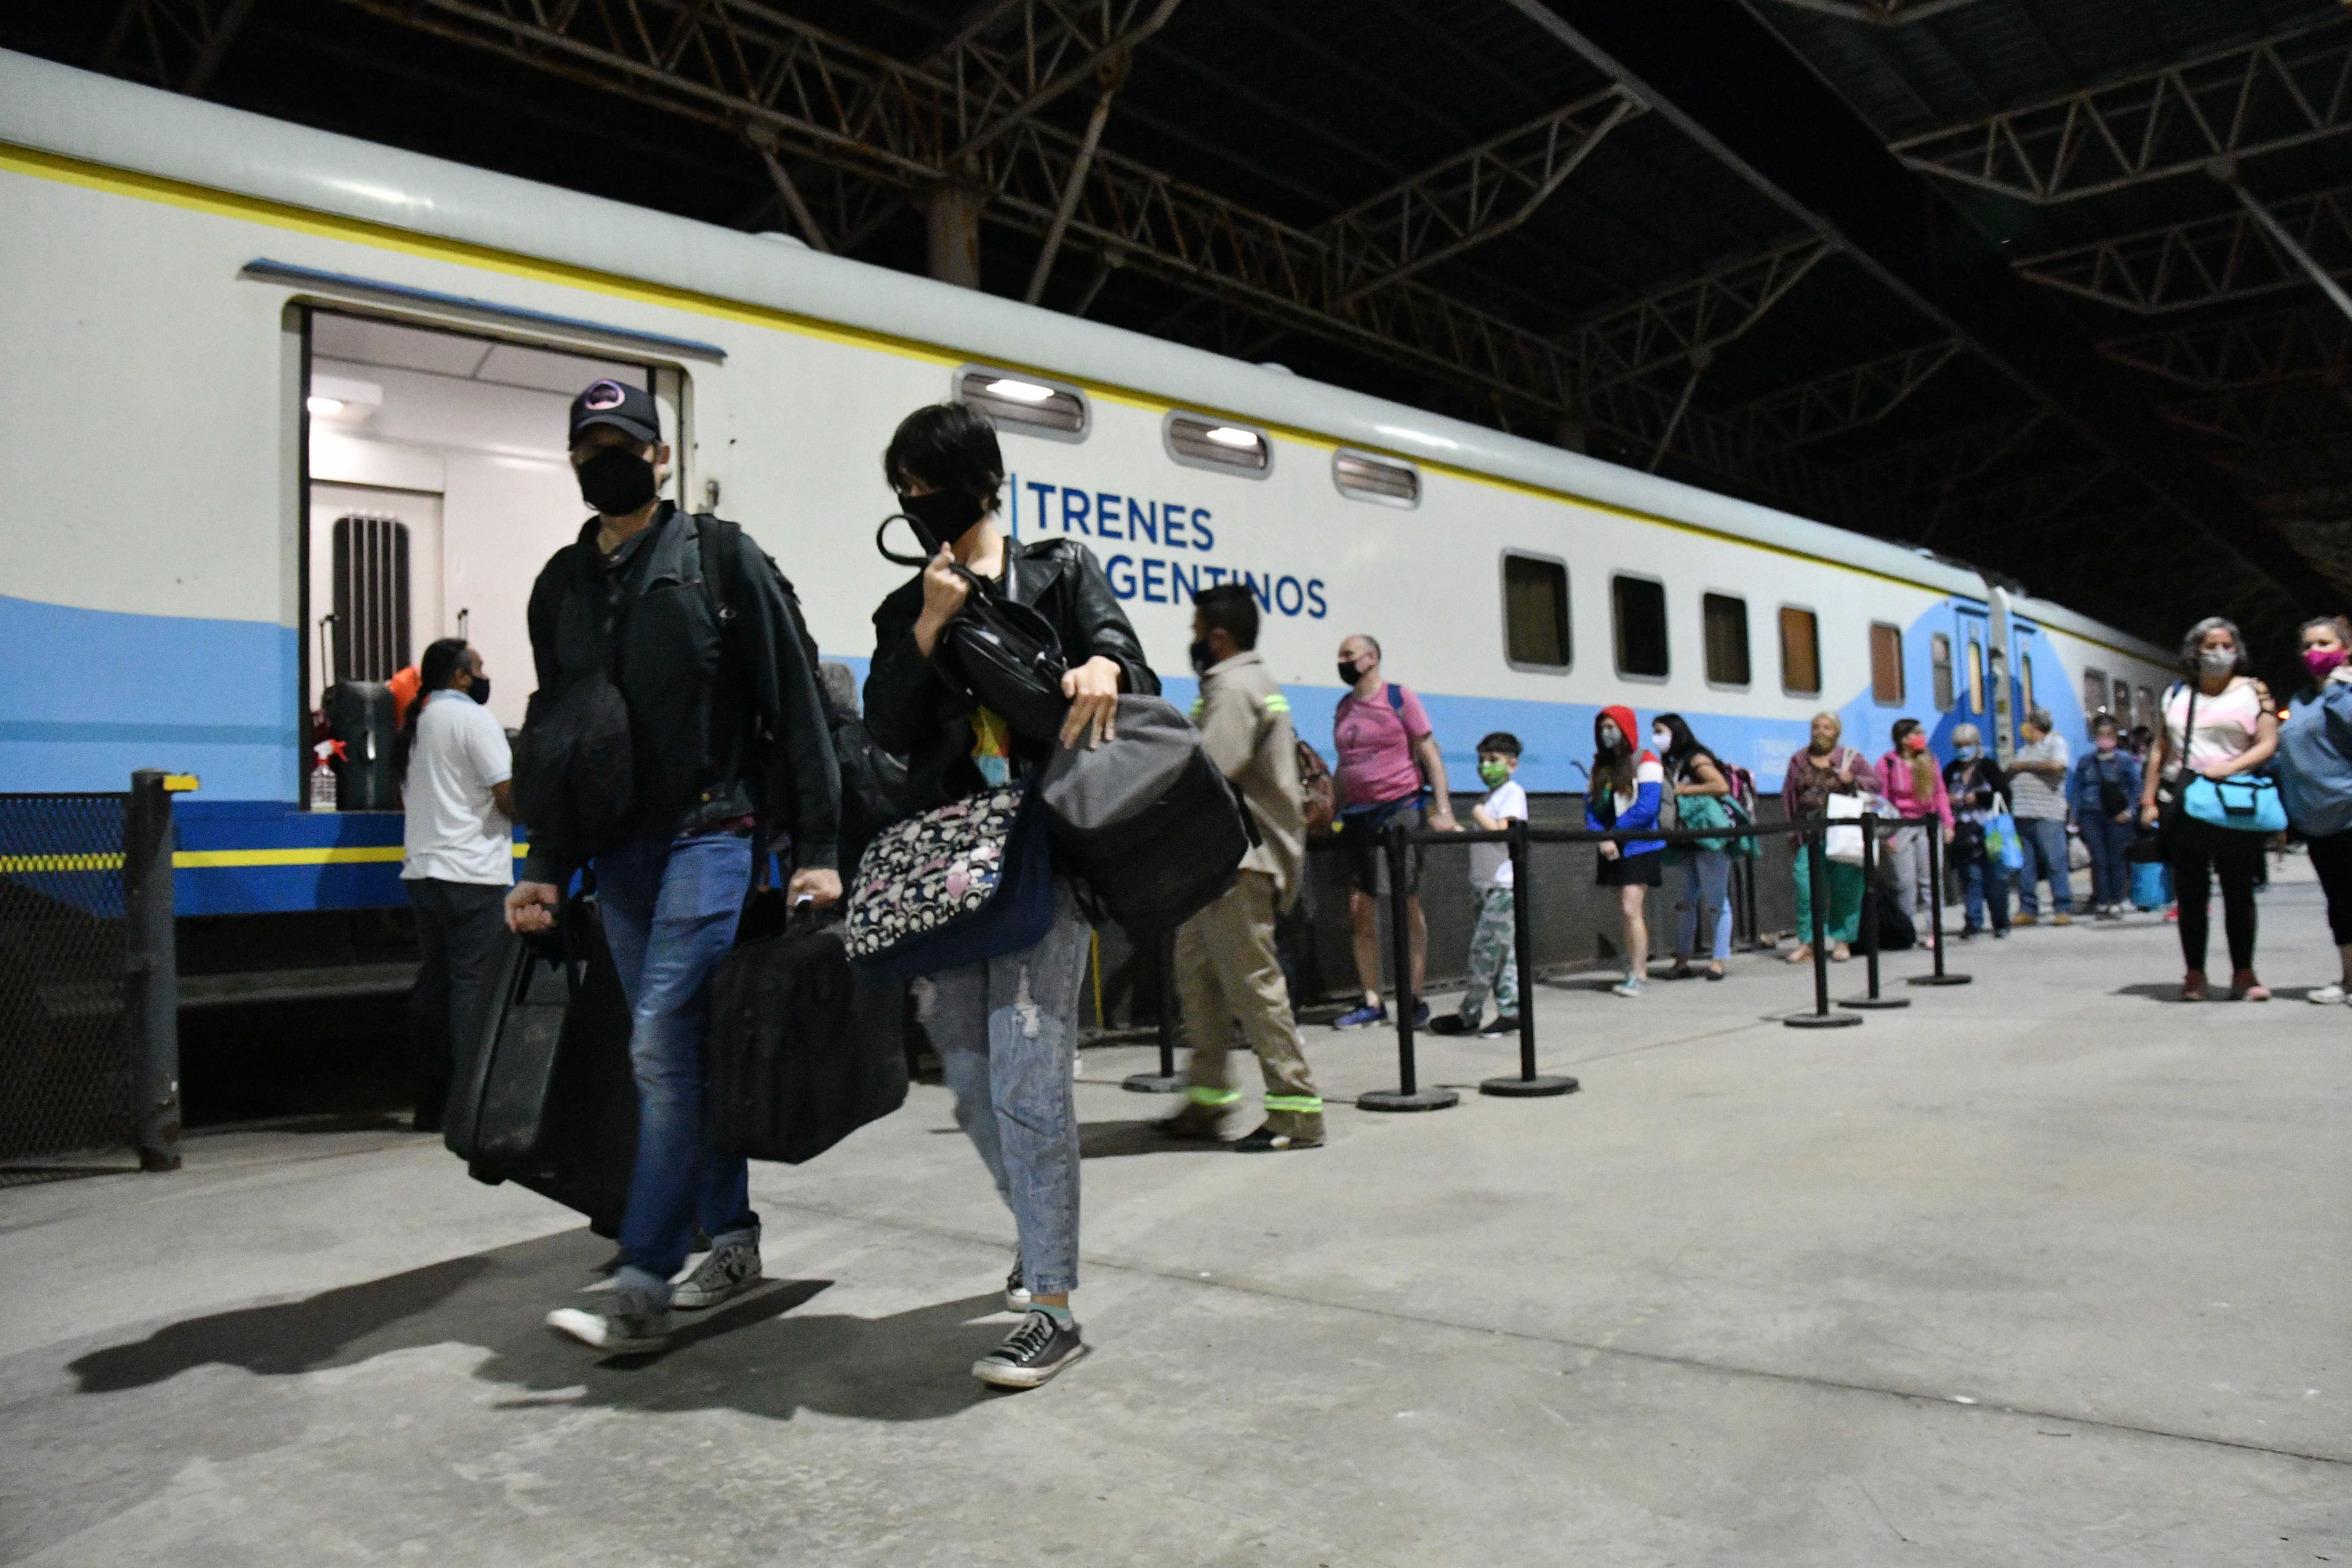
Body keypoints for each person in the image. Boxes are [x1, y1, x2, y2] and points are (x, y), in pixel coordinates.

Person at [509, 379, 843, 1354]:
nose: (603, 458)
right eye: (587, 446)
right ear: (573, 462)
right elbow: (561, 741)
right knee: (682, 1048)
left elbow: (798, 707)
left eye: (624, 442)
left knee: (658, 1042)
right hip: (618, 854)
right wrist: (544, 863)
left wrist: (819, 851)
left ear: (660, 458)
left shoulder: (720, 561)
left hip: (713, 829)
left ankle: (645, 1277)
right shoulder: (558, 589)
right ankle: (731, 1239)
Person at [864, 402, 1153, 1388]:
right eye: (901, 487)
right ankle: (1040, 1234)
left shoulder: (1058, 569)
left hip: (1042, 856)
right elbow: (888, 727)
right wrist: (932, 622)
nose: (914, 501)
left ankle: (1053, 1304)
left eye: (927, 481)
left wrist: (1105, 660)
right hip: (951, 874)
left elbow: (1130, 659)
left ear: (982, 480)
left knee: (1031, 1078)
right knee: (978, 1083)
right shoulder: (908, 606)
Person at [1160, 583, 1326, 1150]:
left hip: (1239, 862)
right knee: (1199, 980)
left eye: (1195, 629)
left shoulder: (1233, 687)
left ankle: (1295, 1110)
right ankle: (1207, 1102)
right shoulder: (1243, 684)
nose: (1192, 640)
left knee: (1253, 987)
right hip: (1218, 863)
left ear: (1219, 636)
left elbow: (1211, 773)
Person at [397, 637, 511, 1133]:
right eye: (479, 667)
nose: (485, 676)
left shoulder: (418, 724)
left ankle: (431, 1104)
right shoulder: (473, 721)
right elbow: (508, 797)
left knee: (435, 986)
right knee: (472, 988)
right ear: (461, 676)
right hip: (472, 873)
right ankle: (471, 1105)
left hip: (424, 873)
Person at [2137, 616, 2279, 1002]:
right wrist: (2148, 799)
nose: (2220, 654)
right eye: (2210, 646)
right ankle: (2195, 973)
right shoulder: (2177, 694)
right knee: (2191, 892)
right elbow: (2160, 750)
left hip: (2234, 800)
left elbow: (2268, 743)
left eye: (2227, 646)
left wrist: (2230, 766)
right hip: (2186, 800)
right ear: (2195, 652)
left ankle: (2244, 972)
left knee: (2238, 889)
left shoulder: (2254, 692)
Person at [1328, 634, 1457, 1029]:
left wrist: (1444, 809)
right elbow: (1343, 765)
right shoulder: (1344, 707)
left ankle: (1414, 998)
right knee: (1359, 907)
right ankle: (1373, 1000)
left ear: (1372, 658)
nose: (1343, 661)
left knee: (1406, 902)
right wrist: (1332, 812)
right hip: (1357, 815)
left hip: (1400, 809)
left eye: (1349, 655)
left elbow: (1429, 752)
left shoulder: (1400, 698)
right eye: (1340, 656)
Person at [2275, 615, 2352, 1002]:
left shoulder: (2347, 693)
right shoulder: (2302, 699)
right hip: (2319, 820)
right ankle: (2349, 978)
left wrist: (2342, 690)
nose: (2314, 652)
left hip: (2350, 811)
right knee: (2340, 902)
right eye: (2307, 645)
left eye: (2324, 643)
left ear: (2346, 649)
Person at [1432, 732, 1527, 1032]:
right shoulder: (1491, 798)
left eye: (1493, 760)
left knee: (1484, 952)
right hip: (1484, 887)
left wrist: (1476, 814)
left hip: (1503, 888)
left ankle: (1469, 1014)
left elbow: (1504, 834)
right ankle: (1511, 1011)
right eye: (1482, 760)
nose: (1485, 767)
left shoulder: (1513, 793)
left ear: (1512, 765)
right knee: (1501, 955)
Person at [1587, 705, 1664, 996]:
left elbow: (1647, 808)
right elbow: (1592, 808)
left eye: (1612, 727)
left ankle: (1639, 974)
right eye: (1603, 728)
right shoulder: (1600, 766)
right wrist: (1601, 837)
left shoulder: (1646, 761)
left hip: (1640, 846)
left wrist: (1614, 835)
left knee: (1632, 908)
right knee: (1626, 911)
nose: (1607, 733)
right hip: (1611, 848)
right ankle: (1634, 967)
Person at [1780, 711, 1867, 963]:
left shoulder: (1851, 758)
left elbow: (1876, 785)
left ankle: (1842, 941)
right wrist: (1791, 830)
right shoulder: (1799, 759)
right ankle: (1808, 943)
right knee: (1805, 887)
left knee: (1846, 888)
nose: (1820, 732)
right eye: (1816, 727)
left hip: (1843, 833)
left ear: (1837, 733)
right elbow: (1789, 797)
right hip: (1808, 834)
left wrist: (1854, 781)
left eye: (1827, 728)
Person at [1653, 713, 1733, 981]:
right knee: (1685, 901)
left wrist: (1683, 790)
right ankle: (1682, 959)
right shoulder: (1670, 761)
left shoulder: (1696, 758)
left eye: (1661, 731)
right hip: (1685, 837)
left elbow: (1720, 786)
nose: (1657, 738)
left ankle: (1719, 960)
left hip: (1708, 836)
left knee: (1716, 900)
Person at [1874, 717, 1954, 948]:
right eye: (1916, 733)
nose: (1921, 737)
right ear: (1904, 738)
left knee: (1930, 879)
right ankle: (1905, 928)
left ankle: (1935, 930)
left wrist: (1948, 824)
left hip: (1928, 824)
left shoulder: (1930, 761)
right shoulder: (1887, 763)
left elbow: (1940, 793)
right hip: (1900, 826)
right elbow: (1883, 801)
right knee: (1904, 881)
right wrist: (1886, 835)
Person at [2068, 715, 2143, 919]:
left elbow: (2136, 787)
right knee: (2098, 859)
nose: (2105, 739)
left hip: (2117, 815)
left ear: (2116, 737)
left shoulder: (2125, 760)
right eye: (2100, 735)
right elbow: (2077, 789)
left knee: (2116, 858)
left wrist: (2130, 811)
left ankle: (2117, 899)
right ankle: (2102, 900)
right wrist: (2074, 816)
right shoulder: (2086, 761)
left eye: (2109, 735)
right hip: (2091, 815)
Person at [2006, 706, 2074, 926]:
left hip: (2048, 815)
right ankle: (2027, 909)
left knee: (2054, 862)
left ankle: (2062, 908)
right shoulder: (2025, 749)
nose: (2024, 727)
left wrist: (2025, 767)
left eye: (2028, 723)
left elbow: (2058, 765)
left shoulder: (2056, 743)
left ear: (2036, 726)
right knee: (2026, 865)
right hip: (2024, 813)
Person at [1943, 723, 2010, 939]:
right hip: (1964, 833)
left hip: (1990, 831)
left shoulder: (1988, 767)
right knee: (1971, 879)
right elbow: (1941, 797)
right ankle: (1973, 922)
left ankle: (2001, 922)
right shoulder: (1951, 771)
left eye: (1968, 745)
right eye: (1959, 745)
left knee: (1996, 880)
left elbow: (2005, 795)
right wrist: (1950, 802)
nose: (1964, 750)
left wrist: (1980, 798)